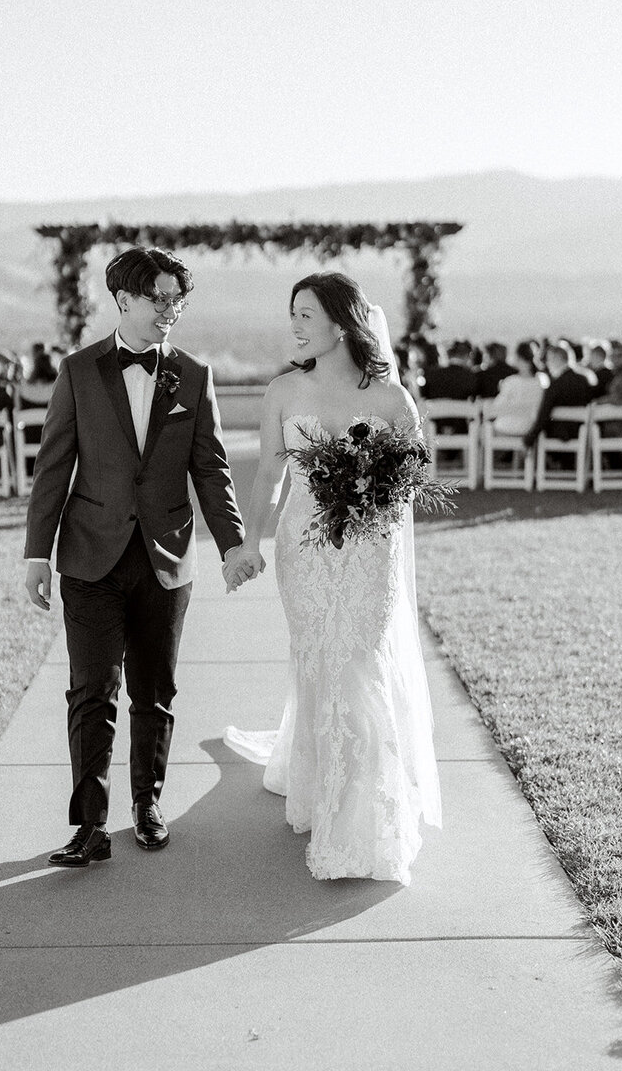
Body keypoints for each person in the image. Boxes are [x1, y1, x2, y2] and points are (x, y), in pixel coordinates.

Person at [24, 247, 251, 868]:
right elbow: (53, 468)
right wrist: (36, 553)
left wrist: (231, 545)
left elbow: (212, 469)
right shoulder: (77, 371)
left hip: (167, 558)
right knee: (91, 692)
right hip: (89, 557)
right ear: (123, 300)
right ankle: (89, 825)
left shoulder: (194, 375)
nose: (170, 310)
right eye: (159, 298)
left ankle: (147, 807)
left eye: (178, 299)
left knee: (154, 693)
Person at [223, 271, 441, 885]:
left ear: (343, 323)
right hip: (306, 549)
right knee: (319, 658)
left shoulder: (393, 399)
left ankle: (365, 812)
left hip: (371, 551)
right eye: (292, 313)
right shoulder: (283, 391)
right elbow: (269, 474)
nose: (294, 325)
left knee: (361, 660)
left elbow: (415, 477)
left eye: (306, 315)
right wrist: (249, 542)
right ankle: (323, 787)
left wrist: (372, 495)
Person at [523, 341, 594, 448]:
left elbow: (544, 414)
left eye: (548, 359)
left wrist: (529, 439)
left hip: (560, 436)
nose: (547, 364)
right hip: (582, 433)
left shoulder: (556, 385)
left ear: (556, 359)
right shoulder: (585, 380)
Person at [490, 342, 545, 435]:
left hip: (506, 429)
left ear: (518, 358)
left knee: (482, 431)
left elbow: (496, 408)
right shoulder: (541, 382)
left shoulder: (511, 381)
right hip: (528, 429)